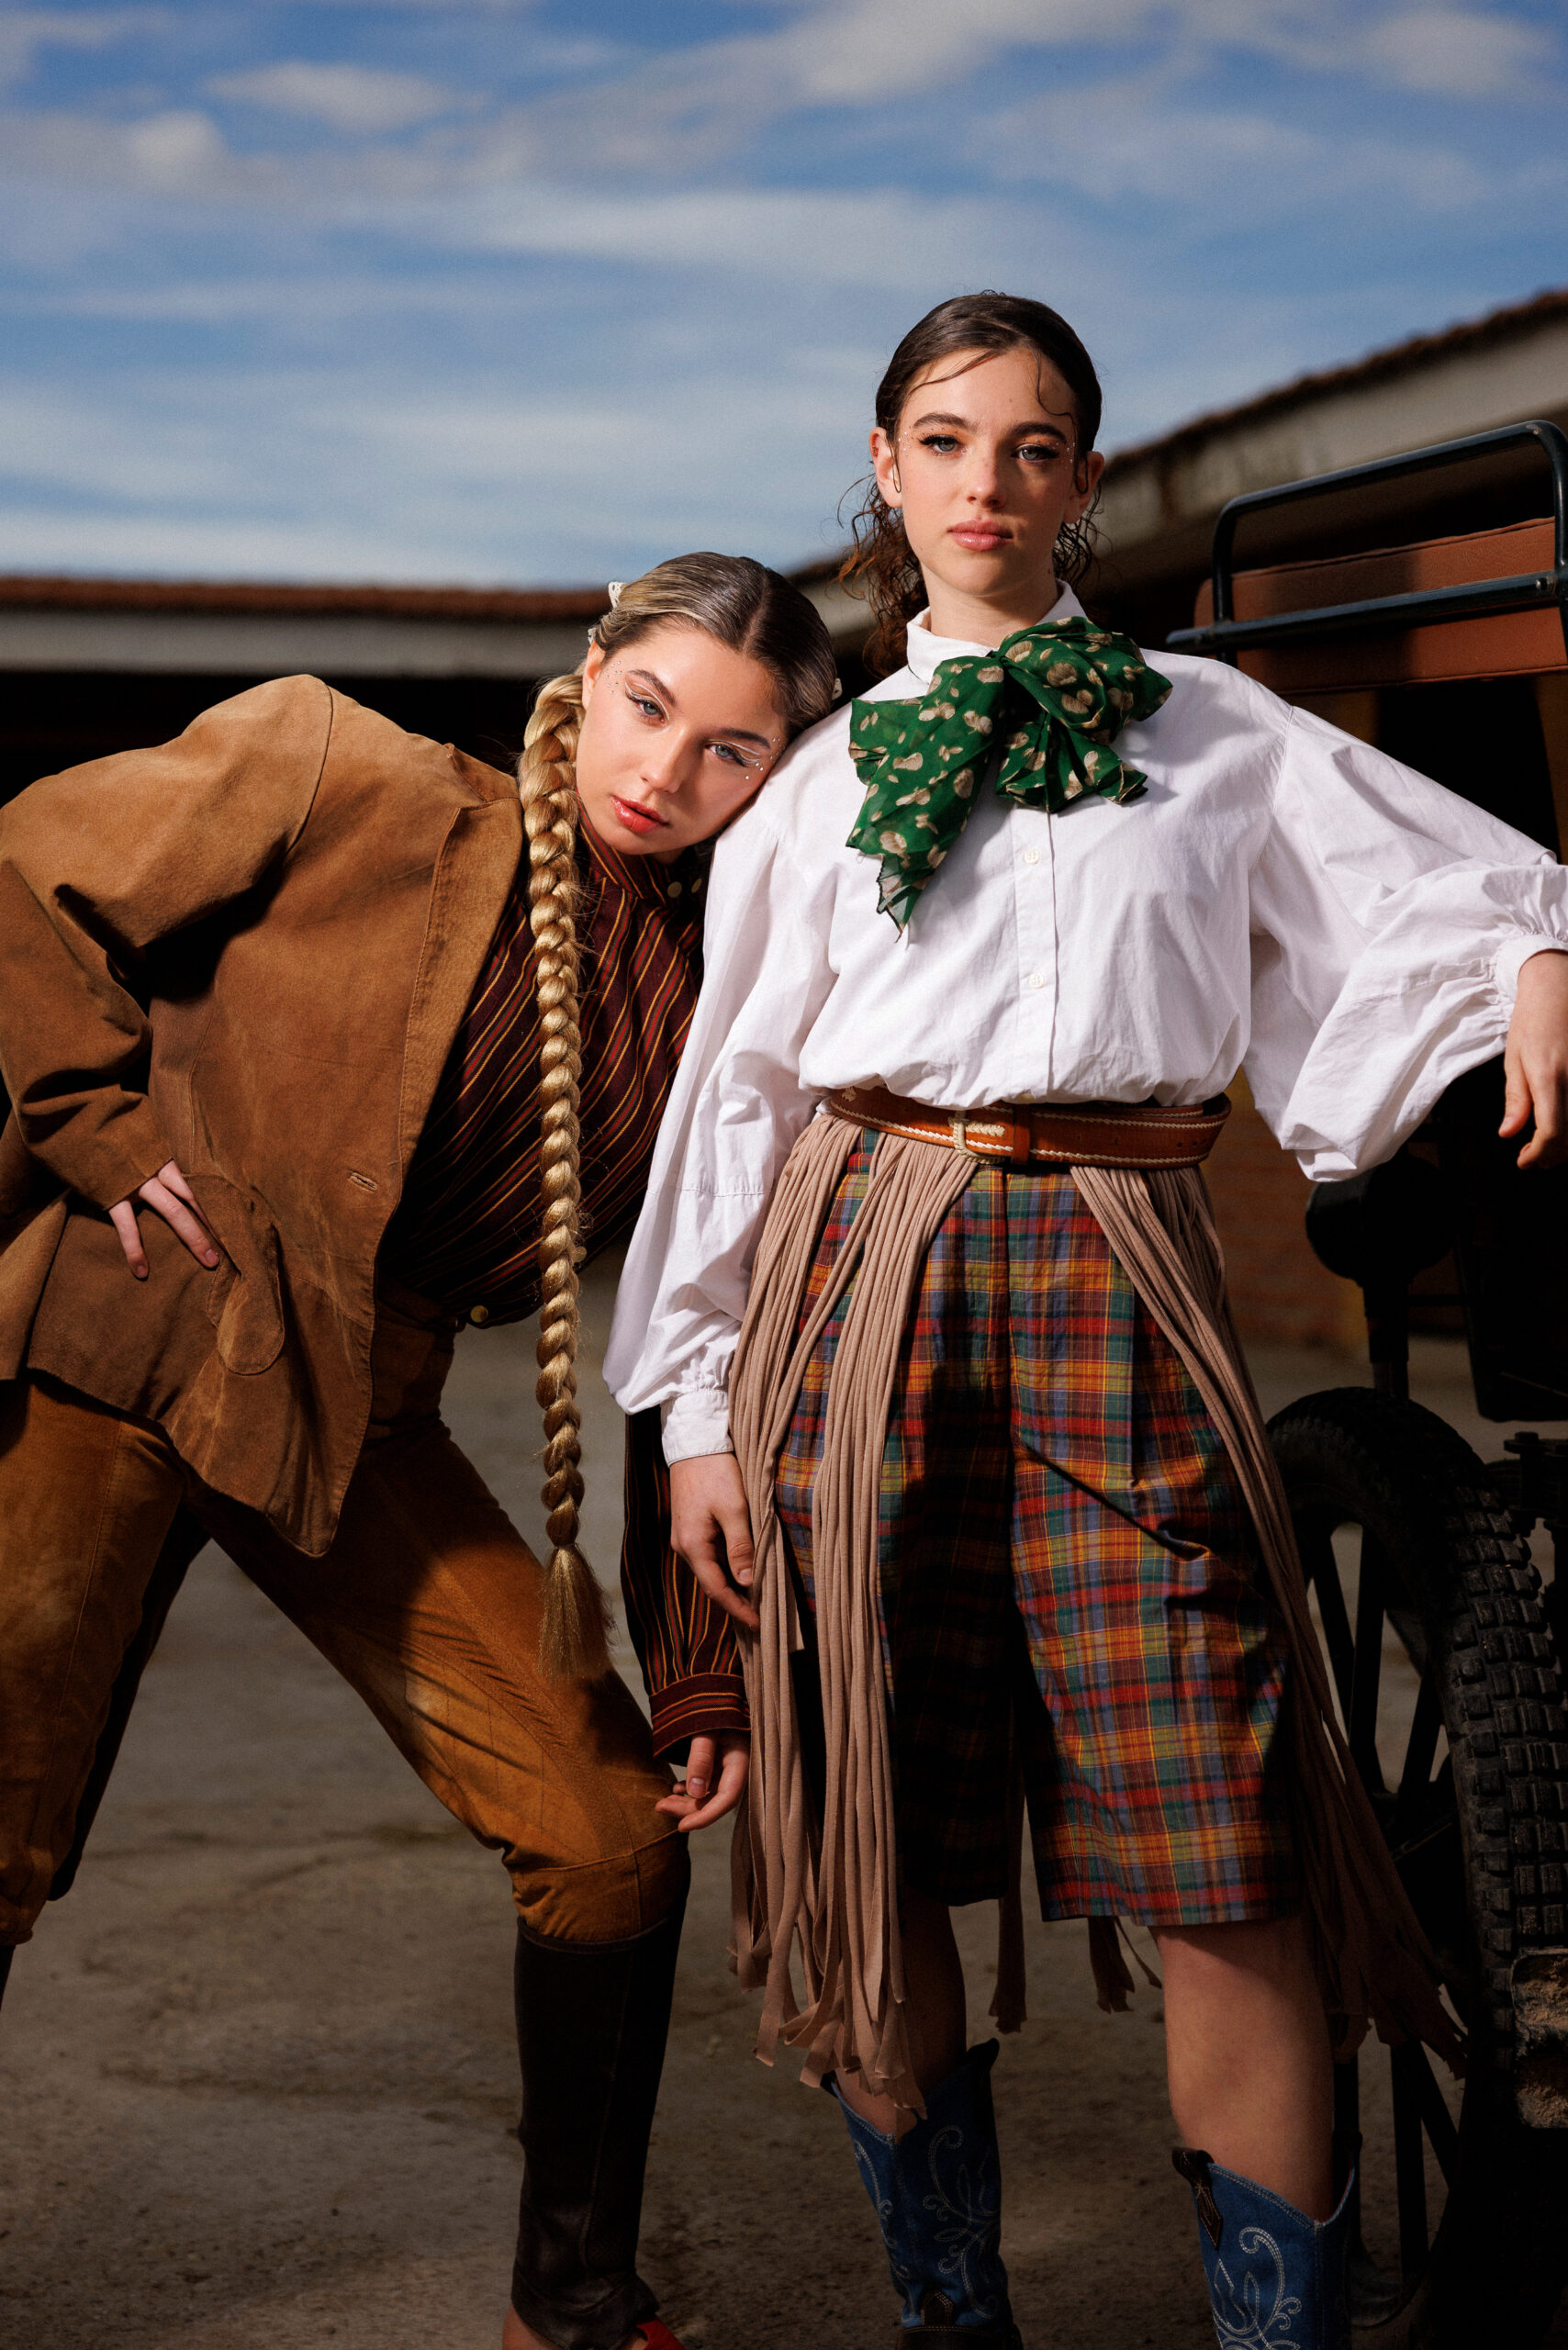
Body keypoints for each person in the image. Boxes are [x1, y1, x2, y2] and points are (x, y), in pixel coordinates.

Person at [605, 296, 1568, 2350]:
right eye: (947, 441)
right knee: (872, 1824)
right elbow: (738, 1095)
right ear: (886, 469)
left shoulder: (1211, 728)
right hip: (861, 1263)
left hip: (1126, 1265)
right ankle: (955, 2318)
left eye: (1032, 446)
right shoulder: (819, 781)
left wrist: (1537, 953)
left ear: (1083, 483)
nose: (988, 482)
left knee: (1226, 1848)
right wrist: (691, 1408)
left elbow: (1455, 880)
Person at [0, 553, 837, 2350]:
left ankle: (574, 2302)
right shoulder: (340, 769)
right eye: (648, 707)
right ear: (591, 669)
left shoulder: (715, 991)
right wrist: (88, 1119)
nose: (666, 772)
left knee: (607, 1833)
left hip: (363, 1411)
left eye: (732, 750)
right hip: (126, 1340)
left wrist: (697, 1663)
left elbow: (686, 1320)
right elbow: (25, 860)